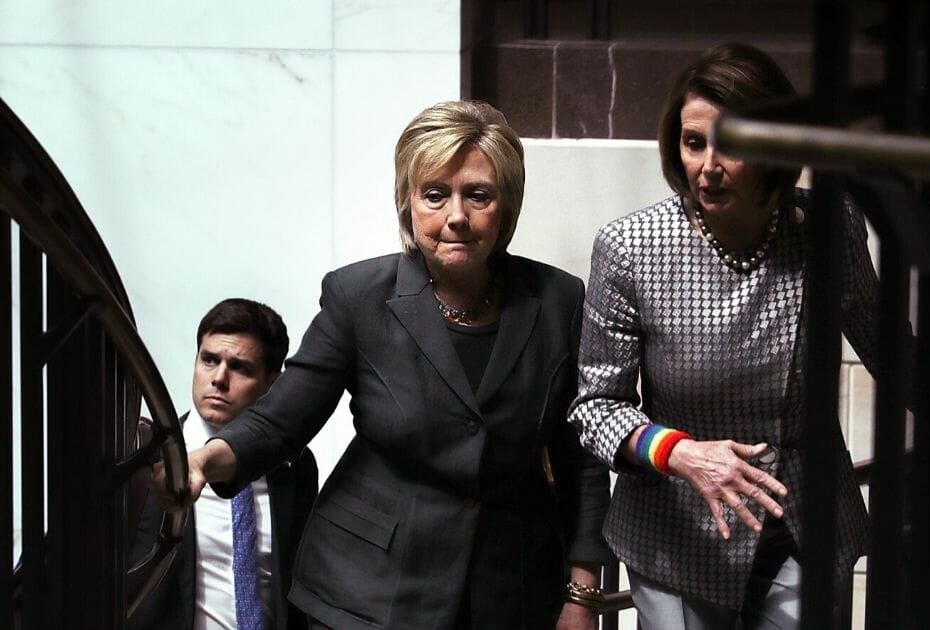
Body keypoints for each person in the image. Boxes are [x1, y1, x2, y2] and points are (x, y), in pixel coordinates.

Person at [154, 100, 612, 630]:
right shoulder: (358, 296)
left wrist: (582, 595)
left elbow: (582, 458)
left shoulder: (559, 300)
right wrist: (205, 460)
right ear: (408, 204)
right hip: (367, 591)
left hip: (511, 591)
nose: (455, 216)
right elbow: (283, 417)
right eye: (434, 195)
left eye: (478, 195)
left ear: (506, 206)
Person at [568, 43, 879, 628]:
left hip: (805, 520)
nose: (708, 164)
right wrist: (680, 452)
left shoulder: (827, 227)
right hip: (679, 530)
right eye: (693, 143)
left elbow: (891, 347)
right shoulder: (633, 247)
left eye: (731, 144)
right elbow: (596, 409)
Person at [129, 298, 318, 630]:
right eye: (209, 360)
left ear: (273, 383)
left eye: (240, 367)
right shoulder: (145, 456)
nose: (218, 378)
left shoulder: (294, 466)